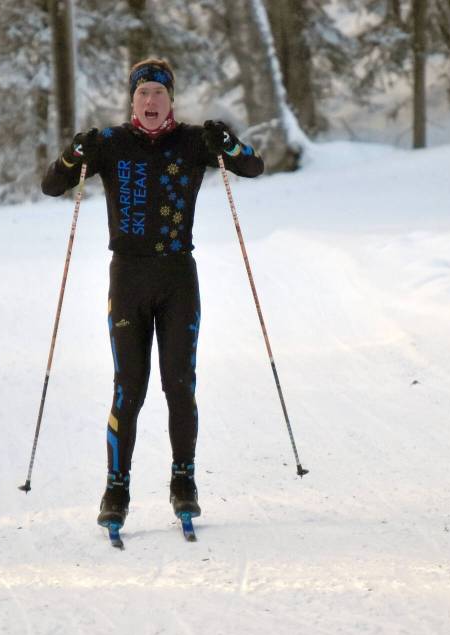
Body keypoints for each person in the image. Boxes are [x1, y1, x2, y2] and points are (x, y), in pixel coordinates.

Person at [41, 58, 264, 531]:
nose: (149, 102)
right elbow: (52, 185)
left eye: (157, 94)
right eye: (142, 94)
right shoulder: (110, 144)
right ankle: (115, 488)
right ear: (132, 100)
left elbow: (252, 166)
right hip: (128, 280)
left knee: (180, 384)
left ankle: (184, 480)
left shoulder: (193, 140)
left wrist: (230, 142)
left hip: (178, 276)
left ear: (171, 100)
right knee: (130, 388)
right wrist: (72, 154)